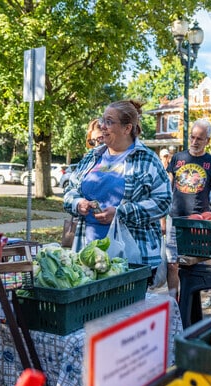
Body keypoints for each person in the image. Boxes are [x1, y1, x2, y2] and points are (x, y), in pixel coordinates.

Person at [63, 100, 171, 270]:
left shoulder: (147, 159)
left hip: (131, 257)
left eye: (109, 122)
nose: (102, 126)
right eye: (102, 120)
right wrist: (78, 204)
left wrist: (121, 213)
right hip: (88, 254)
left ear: (127, 128)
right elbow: (70, 191)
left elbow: (163, 202)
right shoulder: (93, 156)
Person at [165, 119, 211, 301]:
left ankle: (194, 300)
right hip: (175, 218)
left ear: (208, 140)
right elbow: (168, 188)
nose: (194, 141)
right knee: (172, 263)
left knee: (197, 265)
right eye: (192, 137)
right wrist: (162, 217)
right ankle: (173, 301)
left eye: (200, 138)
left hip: (200, 220)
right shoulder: (177, 158)